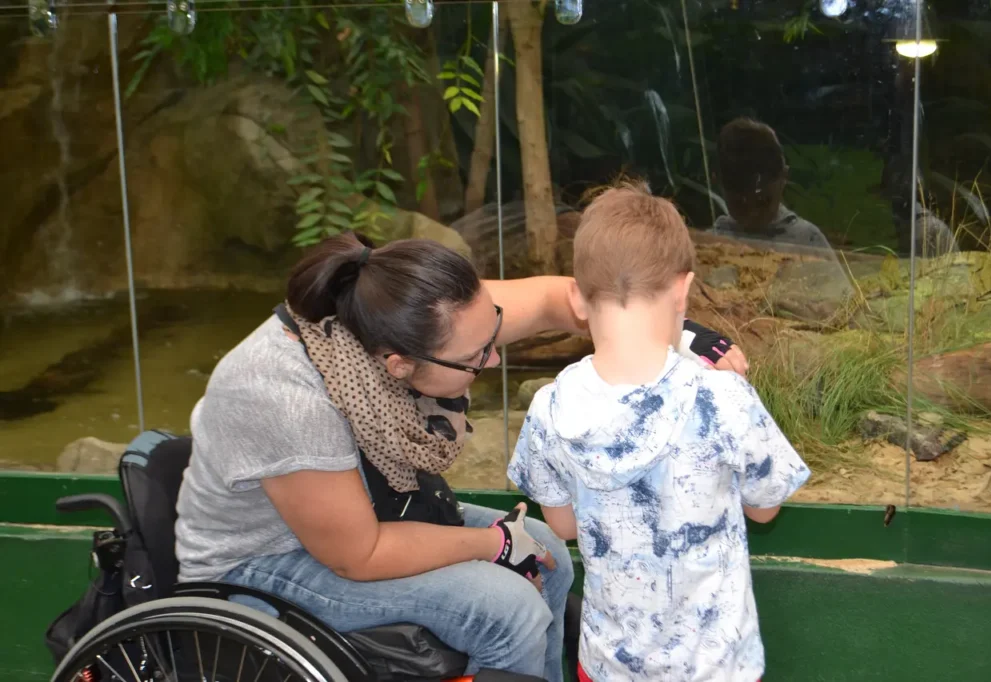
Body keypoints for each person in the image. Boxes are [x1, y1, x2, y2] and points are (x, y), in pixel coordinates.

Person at [174, 230, 749, 682]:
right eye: (477, 356)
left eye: (491, 333)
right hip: (265, 560)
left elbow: (560, 301)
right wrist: (494, 544)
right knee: (506, 605)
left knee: (548, 551)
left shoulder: (417, 311)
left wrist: (680, 332)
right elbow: (360, 554)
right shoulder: (285, 397)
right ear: (397, 364)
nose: (492, 361)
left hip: (363, 512)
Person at [508, 182, 811, 681]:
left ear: (578, 300)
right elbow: (765, 507)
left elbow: (562, 527)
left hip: (610, 665)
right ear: (683, 291)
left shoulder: (548, 407)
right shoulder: (724, 399)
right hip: (718, 667)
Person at [710, 117, 833, 255]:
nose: (752, 213)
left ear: (784, 177)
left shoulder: (808, 241)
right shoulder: (711, 242)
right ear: (717, 183)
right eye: (739, 203)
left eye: (763, 202)